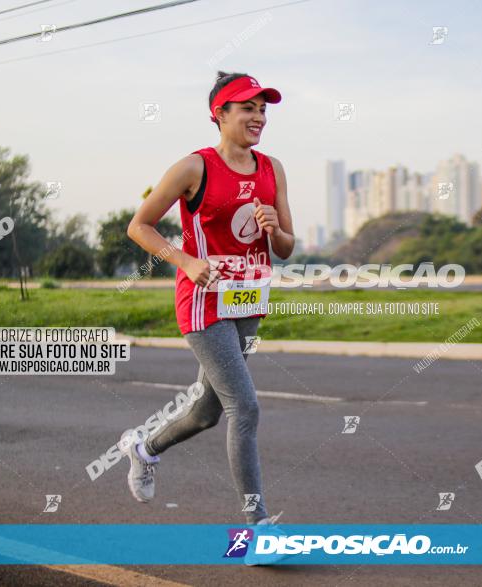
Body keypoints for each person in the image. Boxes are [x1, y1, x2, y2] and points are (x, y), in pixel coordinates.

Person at [120, 71, 294, 534]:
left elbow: (287, 248)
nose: (258, 117)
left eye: (263, 108)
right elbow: (140, 226)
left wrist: (275, 228)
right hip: (203, 304)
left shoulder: (271, 168)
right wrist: (184, 260)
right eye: (247, 108)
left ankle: (143, 449)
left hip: (248, 302)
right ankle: (257, 527)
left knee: (208, 411)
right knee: (247, 408)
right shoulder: (193, 168)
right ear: (219, 114)